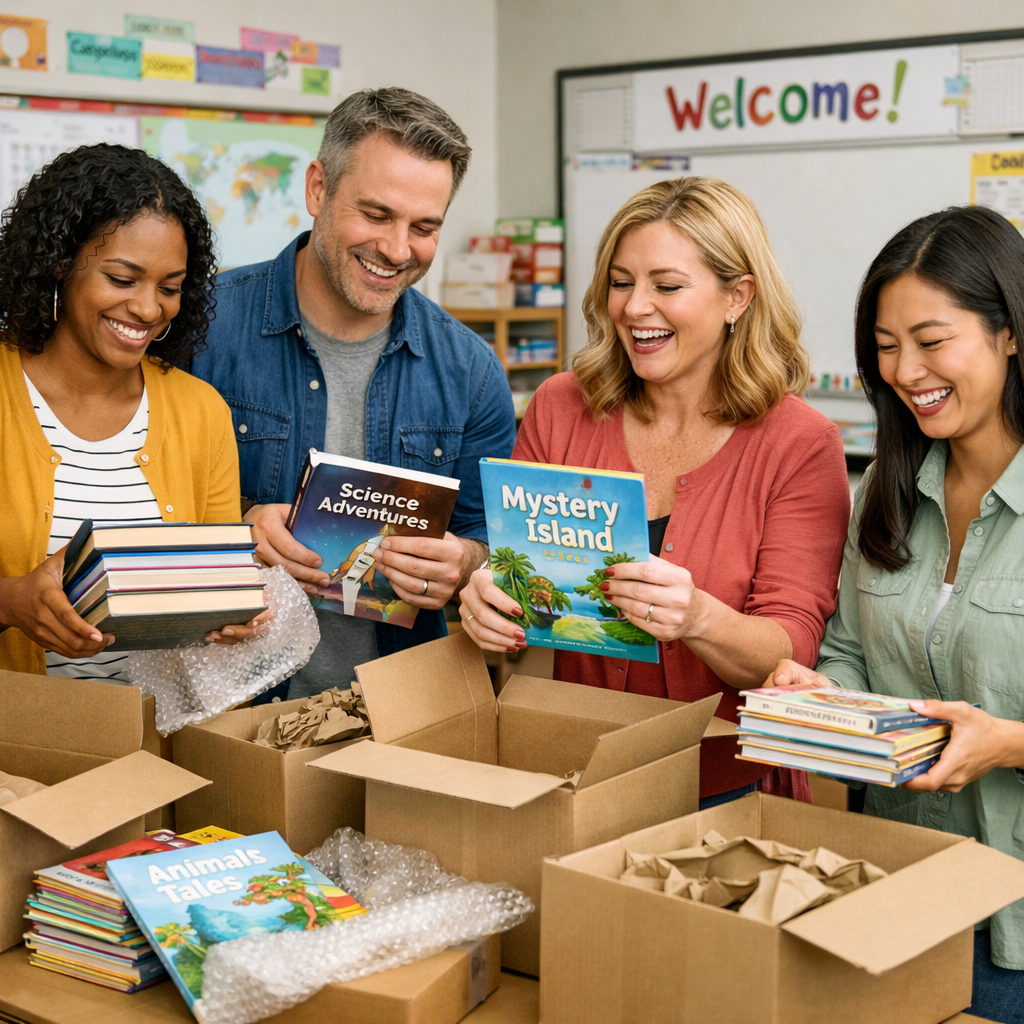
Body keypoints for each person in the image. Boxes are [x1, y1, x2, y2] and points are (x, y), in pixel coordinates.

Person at [459, 176, 850, 808]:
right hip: (574, 770)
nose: (636, 307)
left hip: (729, 785)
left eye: (667, 286)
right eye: (621, 282)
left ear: (737, 297)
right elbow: (523, 585)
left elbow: (790, 647)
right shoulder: (561, 406)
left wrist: (697, 617)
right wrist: (489, 601)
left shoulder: (799, 443)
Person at [765, 205, 1024, 1024]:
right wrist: (817, 689)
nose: (906, 370)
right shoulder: (887, 484)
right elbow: (848, 651)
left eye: (931, 339)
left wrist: (1008, 744)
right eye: (885, 347)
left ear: (1009, 332)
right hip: (895, 890)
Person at [191, 87, 516, 699]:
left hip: (401, 718)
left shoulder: (470, 371)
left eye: (424, 227)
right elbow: (131, 514)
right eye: (376, 214)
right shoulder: (200, 330)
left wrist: (465, 562)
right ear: (318, 187)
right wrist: (234, 528)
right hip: (230, 711)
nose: (397, 250)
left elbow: (491, 543)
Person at [0, 143, 265, 680]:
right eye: (123, 280)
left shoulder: (200, 412)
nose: (148, 309)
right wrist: (9, 603)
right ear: (59, 262)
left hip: (154, 745)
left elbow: (214, 590)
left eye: (170, 288)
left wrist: (230, 613)